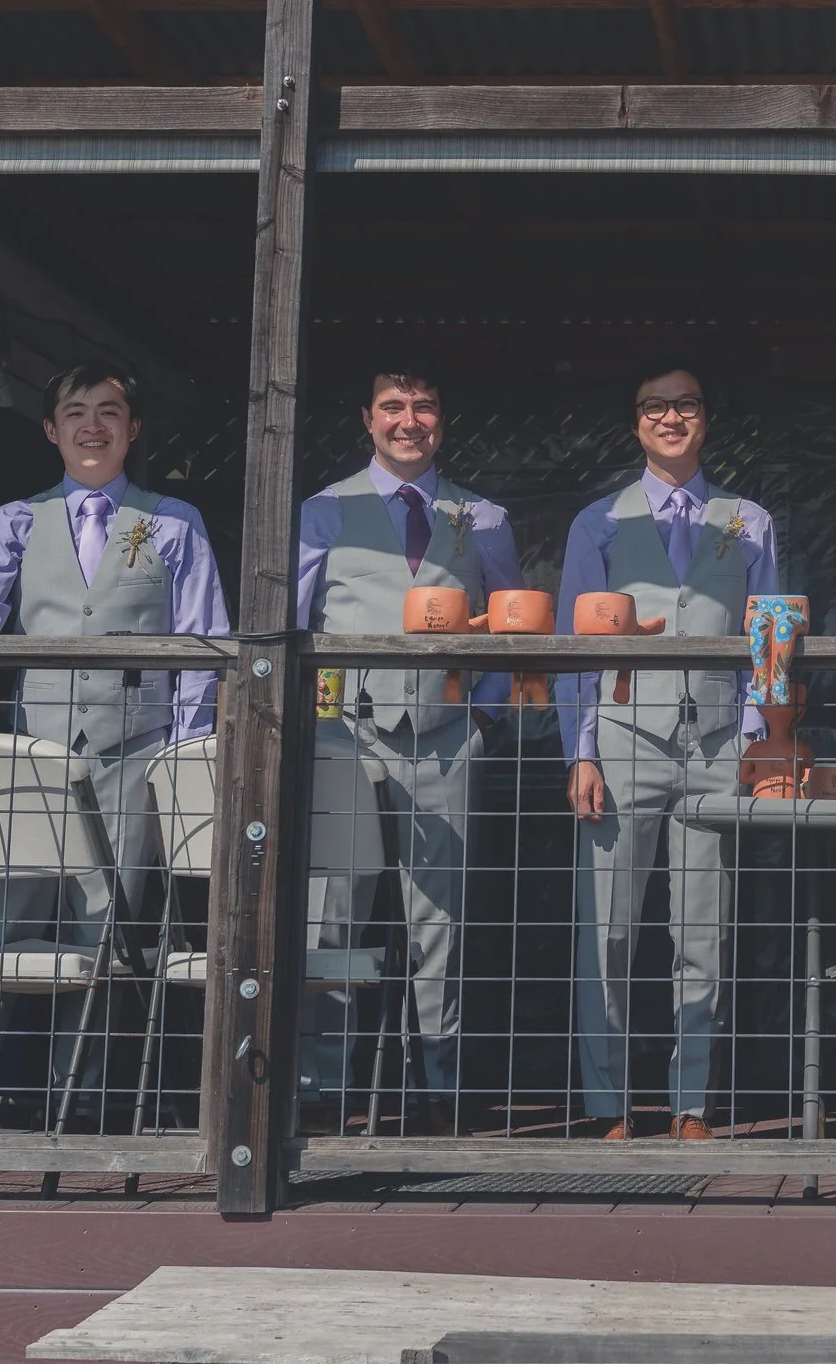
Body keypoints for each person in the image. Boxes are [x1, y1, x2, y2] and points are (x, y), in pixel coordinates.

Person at [0, 364, 229, 1131]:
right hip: (29, 754)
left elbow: (204, 643)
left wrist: (184, 759)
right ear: (50, 430)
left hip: (135, 755)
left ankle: (74, 1103)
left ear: (132, 429)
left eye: (109, 411)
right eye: (75, 412)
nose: (93, 425)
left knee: (104, 930)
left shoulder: (173, 520)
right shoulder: (15, 519)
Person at [294, 363, 523, 1136]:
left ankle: (440, 1092)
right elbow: (289, 624)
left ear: (442, 419)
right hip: (342, 736)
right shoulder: (323, 510)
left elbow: (514, 625)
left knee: (441, 927)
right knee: (329, 918)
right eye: (393, 406)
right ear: (367, 418)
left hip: (445, 740)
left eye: (424, 405)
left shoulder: (481, 517)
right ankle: (317, 1090)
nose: (409, 420)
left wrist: (484, 717)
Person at [557, 362, 778, 1141]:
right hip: (623, 740)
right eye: (655, 406)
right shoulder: (600, 523)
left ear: (706, 418)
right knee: (608, 929)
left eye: (685, 403)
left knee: (703, 931)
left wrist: (759, 729)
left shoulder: (748, 519)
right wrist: (579, 751)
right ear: (636, 423)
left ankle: (692, 1104)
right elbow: (575, 645)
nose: (670, 416)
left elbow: (770, 631)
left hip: (718, 742)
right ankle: (609, 1105)